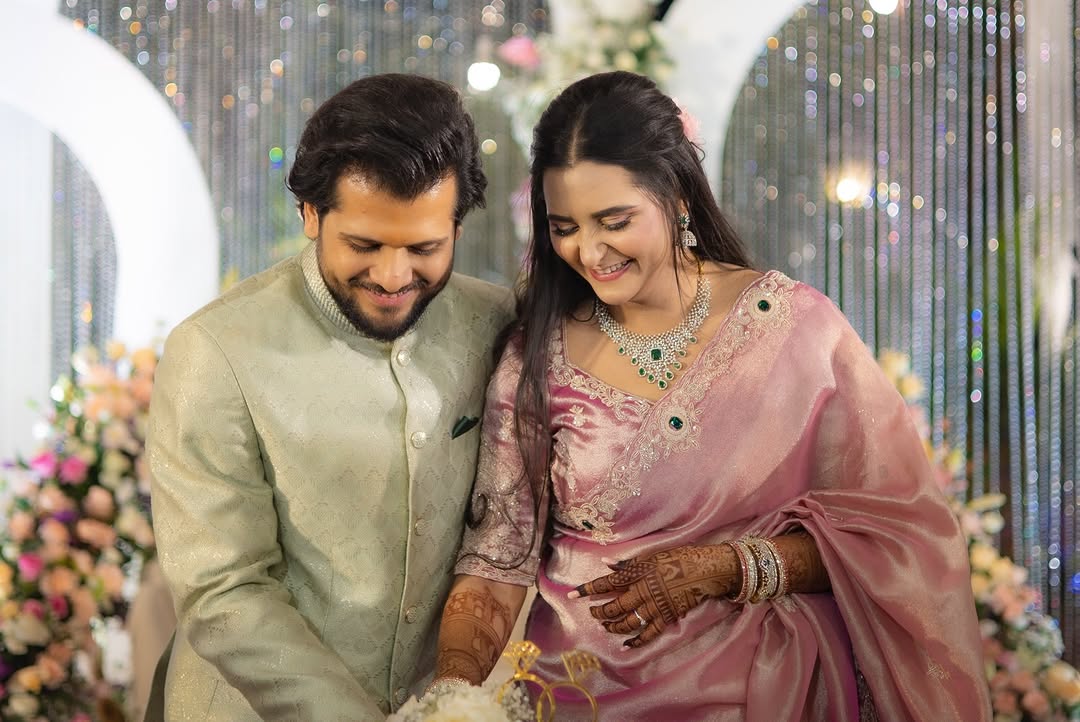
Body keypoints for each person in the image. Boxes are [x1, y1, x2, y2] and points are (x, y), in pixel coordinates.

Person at [428, 71, 991, 720]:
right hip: (577, 695)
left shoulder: (795, 330)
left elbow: (898, 538)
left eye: (615, 221)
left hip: (764, 695)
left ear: (677, 198)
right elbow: (496, 563)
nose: (589, 250)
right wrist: (454, 701)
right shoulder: (535, 356)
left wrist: (725, 567)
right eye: (565, 227)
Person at [146, 73, 514, 720]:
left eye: (425, 247)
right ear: (310, 214)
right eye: (364, 245)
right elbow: (225, 592)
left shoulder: (495, 323)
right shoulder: (215, 352)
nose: (395, 275)